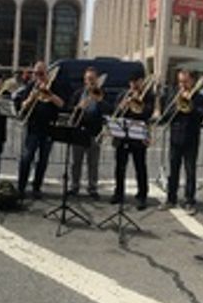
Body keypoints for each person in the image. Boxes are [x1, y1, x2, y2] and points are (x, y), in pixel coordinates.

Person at [14, 61, 65, 198]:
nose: (38, 76)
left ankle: (36, 187)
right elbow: (22, 106)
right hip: (33, 127)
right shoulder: (31, 86)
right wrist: (31, 97)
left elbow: (61, 104)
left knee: (43, 160)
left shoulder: (55, 86)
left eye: (41, 73)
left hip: (49, 127)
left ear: (46, 73)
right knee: (26, 158)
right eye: (35, 73)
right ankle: (21, 187)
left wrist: (50, 94)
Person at [161, 69, 203, 210]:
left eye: (185, 81)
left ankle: (189, 200)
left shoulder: (200, 97)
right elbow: (165, 115)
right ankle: (171, 199)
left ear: (192, 81)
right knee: (173, 170)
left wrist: (191, 107)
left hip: (191, 137)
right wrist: (176, 105)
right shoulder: (174, 95)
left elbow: (202, 116)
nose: (182, 85)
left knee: (190, 171)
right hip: (175, 137)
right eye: (180, 81)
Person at [111, 73, 153, 209]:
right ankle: (118, 193)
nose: (134, 85)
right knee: (120, 167)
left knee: (140, 167)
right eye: (132, 82)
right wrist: (122, 106)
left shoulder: (148, 96)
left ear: (142, 82)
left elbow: (148, 113)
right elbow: (115, 113)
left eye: (137, 82)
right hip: (123, 136)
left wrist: (137, 102)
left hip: (138, 136)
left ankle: (142, 195)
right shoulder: (123, 95)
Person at [67, 67, 105, 199]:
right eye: (89, 79)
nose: (91, 82)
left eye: (93, 79)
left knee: (93, 163)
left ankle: (92, 188)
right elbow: (69, 108)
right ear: (85, 80)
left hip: (94, 133)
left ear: (97, 80)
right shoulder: (78, 94)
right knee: (76, 162)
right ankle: (74, 186)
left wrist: (100, 101)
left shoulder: (100, 94)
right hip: (79, 131)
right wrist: (78, 107)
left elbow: (108, 109)